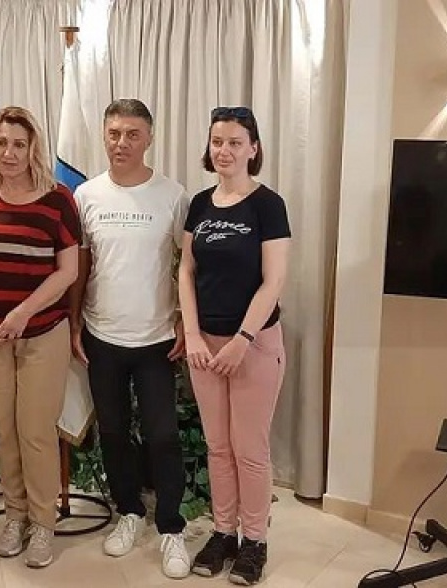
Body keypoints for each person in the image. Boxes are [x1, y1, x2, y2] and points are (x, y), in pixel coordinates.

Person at [67, 98, 192, 578]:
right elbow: (81, 265)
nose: (122, 143)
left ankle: (171, 526)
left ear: (149, 138)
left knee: (162, 436)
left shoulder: (172, 195)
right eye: (114, 133)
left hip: (156, 339)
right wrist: (75, 322)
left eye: (132, 134)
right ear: (105, 135)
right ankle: (130, 512)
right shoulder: (87, 196)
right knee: (114, 433)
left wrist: (184, 320)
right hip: (102, 336)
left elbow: (188, 266)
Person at [0, 106, 80, 569]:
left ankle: (43, 523)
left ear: (33, 149)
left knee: (35, 431)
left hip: (42, 332)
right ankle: (16, 516)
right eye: (2, 143)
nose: (9, 153)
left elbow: (68, 271)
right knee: (5, 431)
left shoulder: (58, 200)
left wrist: (22, 313)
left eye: (19, 144)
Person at [178, 106, 291, 586]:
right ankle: (223, 533)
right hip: (205, 345)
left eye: (234, 142)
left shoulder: (268, 205)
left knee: (250, 450)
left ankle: (254, 541)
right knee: (218, 447)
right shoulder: (200, 204)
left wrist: (243, 339)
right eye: (217, 142)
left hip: (254, 344)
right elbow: (186, 270)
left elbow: (273, 281)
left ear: (253, 149)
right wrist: (192, 334)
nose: (224, 150)